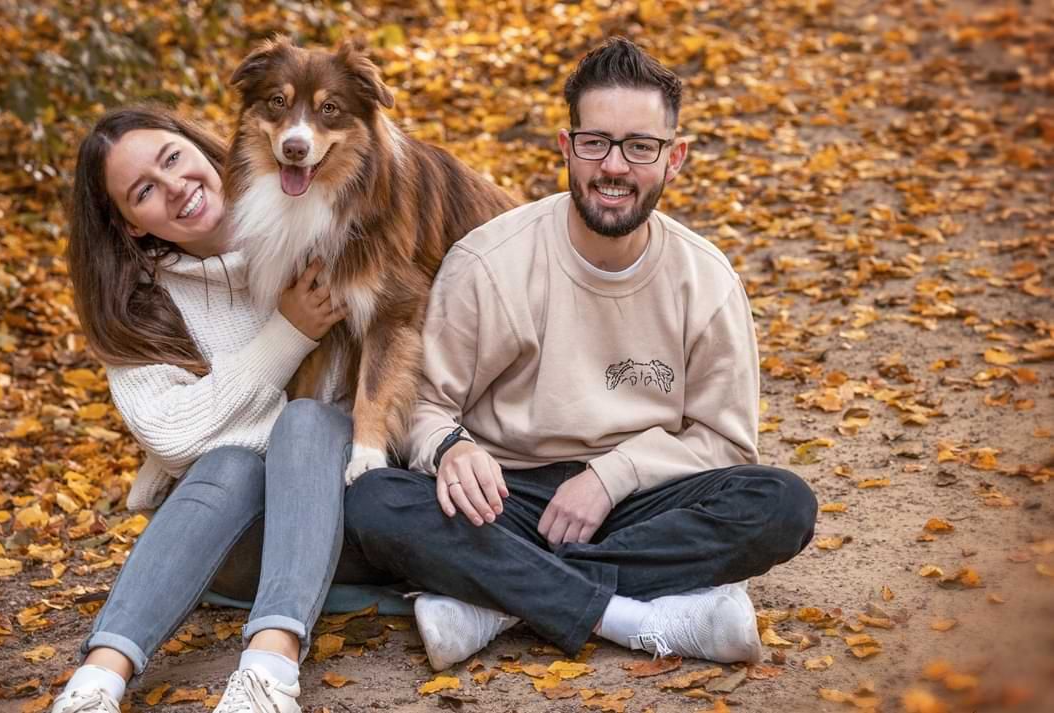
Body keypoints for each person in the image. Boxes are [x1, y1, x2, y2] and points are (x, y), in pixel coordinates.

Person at [343, 37, 818, 670]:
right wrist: (451, 448)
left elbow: (726, 444)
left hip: (639, 502)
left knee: (782, 504)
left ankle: (499, 599)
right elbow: (427, 403)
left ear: (674, 159)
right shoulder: (488, 261)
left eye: (640, 147)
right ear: (568, 148)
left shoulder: (706, 280)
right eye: (595, 142)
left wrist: (609, 476)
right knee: (377, 503)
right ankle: (629, 615)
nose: (614, 166)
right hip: (504, 500)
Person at [53, 104, 351, 713]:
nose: (175, 188)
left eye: (172, 159)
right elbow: (170, 436)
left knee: (303, 422)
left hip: (352, 507)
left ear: (200, 146)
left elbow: (353, 395)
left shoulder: (313, 221)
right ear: (131, 223)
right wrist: (287, 334)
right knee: (233, 461)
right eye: (144, 191)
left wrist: (244, 418)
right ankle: (94, 686)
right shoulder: (139, 306)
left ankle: (268, 674)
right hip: (231, 541)